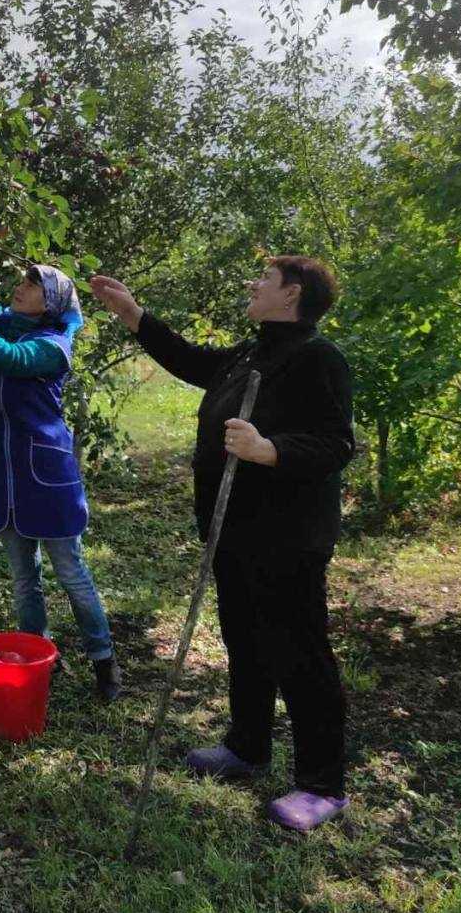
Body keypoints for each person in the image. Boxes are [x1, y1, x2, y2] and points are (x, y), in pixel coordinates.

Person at [90, 256, 355, 831]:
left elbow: (336, 444)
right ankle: (247, 747)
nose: (252, 284)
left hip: (287, 538)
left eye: (264, 279)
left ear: (292, 294)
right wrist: (135, 315)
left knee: (300, 654)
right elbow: (192, 362)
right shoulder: (251, 351)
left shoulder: (317, 358)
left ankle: (322, 785)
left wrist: (270, 450)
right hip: (232, 530)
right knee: (246, 639)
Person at [0, 258, 121, 700]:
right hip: (9, 474)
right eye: (23, 280)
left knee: (71, 572)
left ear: (50, 302)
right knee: (23, 578)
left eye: (32, 285)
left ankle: (104, 660)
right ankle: (39, 655)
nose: (21, 288)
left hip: (48, 477)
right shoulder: (15, 323)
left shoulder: (53, 345)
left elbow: (9, 359)